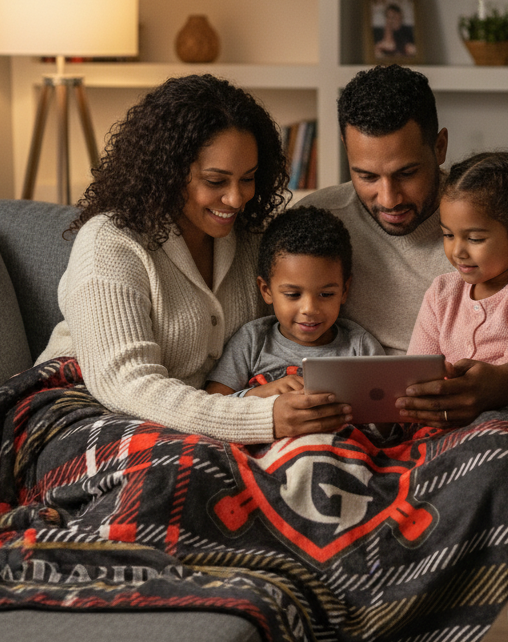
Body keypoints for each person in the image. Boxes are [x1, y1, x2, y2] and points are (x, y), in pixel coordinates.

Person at [297, 64, 508, 428]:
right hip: (381, 424)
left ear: (440, 146)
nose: (389, 198)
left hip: (505, 413)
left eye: (407, 173)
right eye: (366, 176)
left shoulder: (506, 209)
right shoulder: (318, 221)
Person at [35, 75, 350, 442]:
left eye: (248, 178)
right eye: (216, 181)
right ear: (167, 173)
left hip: (197, 423)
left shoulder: (255, 242)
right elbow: (125, 384)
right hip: (79, 408)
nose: (236, 199)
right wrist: (258, 416)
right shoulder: (110, 241)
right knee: (187, 470)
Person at [407, 151, 508, 364]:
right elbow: (416, 369)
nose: (457, 251)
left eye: (475, 239)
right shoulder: (441, 293)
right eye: (448, 235)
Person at [204, 205, 384, 397]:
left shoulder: (359, 347)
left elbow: (386, 404)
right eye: (293, 294)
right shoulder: (252, 341)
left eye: (326, 294)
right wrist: (261, 395)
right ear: (266, 290)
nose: (309, 309)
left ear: (344, 290)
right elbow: (215, 401)